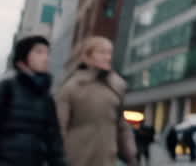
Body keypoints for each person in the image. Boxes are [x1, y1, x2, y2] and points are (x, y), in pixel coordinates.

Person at [0, 36, 66, 166]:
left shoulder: (46, 98)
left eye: (47, 53)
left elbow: (54, 142)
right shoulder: (6, 89)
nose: (45, 58)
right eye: (39, 52)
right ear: (23, 58)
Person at [56, 36, 137, 166]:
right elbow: (60, 127)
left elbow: (122, 126)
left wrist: (131, 155)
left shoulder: (116, 87)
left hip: (107, 157)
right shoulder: (72, 87)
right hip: (77, 157)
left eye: (109, 53)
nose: (107, 57)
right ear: (87, 57)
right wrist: (59, 158)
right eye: (102, 52)